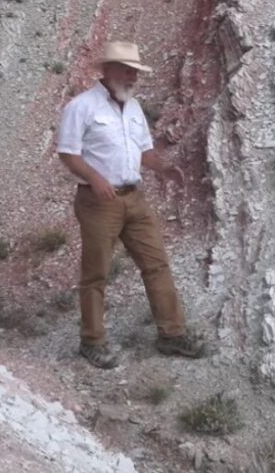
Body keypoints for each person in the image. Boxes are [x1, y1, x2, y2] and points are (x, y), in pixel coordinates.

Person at [56, 41, 206, 369]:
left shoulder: (134, 107)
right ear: (107, 70)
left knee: (156, 263)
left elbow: (144, 152)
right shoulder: (81, 107)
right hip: (98, 201)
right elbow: (68, 152)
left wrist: (164, 168)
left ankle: (172, 334)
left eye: (135, 71)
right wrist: (95, 178)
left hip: (134, 198)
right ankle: (92, 341)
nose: (133, 77)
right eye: (127, 70)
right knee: (96, 273)